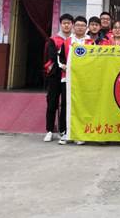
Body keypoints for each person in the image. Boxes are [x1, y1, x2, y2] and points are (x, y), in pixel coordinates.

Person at [58, 15, 92, 145]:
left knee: (82, 105)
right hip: (68, 79)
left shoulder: (90, 43)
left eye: (83, 25)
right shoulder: (67, 42)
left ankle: (80, 133)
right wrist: (63, 66)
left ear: (86, 27)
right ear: (73, 26)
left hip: (84, 80)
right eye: (77, 25)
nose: (80, 28)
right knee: (66, 105)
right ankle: (65, 133)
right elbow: (60, 58)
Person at [43, 13, 73, 142]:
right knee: (52, 103)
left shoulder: (74, 40)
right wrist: (63, 65)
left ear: (72, 25)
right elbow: (52, 56)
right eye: (64, 23)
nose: (66, 25)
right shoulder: (53, 40)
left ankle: (63, 130)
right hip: (55, 75)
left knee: (65, 104)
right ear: (61, 24)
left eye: (69, 23)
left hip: (68, 76)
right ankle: (49, 130)